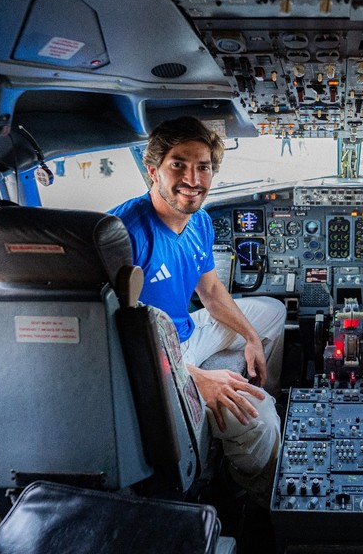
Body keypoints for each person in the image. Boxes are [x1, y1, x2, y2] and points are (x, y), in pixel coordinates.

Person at [109, 116, 286, 504]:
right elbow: (115, 339)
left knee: (271, 313)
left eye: (202, 166)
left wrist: (252, 337)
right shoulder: (125, 233)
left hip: (186, 330)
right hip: (157, 356)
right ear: (152, 169)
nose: (193, 178)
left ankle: (263, 384)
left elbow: (210, 290)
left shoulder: (199, 220)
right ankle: (251, 488)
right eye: (179, 164)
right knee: (260, 421)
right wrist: (193, 379)